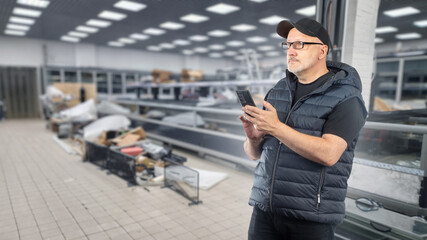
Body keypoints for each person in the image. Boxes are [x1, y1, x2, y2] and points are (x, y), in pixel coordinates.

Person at [239, 18, 367, 240]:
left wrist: (277, 128)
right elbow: (253, 155)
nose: (291, 51)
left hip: (311, 218)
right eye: (288, 45)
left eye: (299, 44)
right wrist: (253, 138)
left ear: (322, 51)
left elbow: (329, 154)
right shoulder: (278, 91)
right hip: (264, 211)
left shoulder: (347, 98)